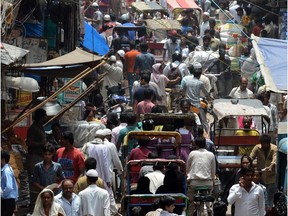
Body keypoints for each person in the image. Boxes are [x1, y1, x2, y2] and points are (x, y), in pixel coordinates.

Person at [186, 136, 216, 215]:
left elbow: (187, 168)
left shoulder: (192, 153)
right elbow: (213, 171)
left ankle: (191, 213)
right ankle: (210, 209)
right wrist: (213, 180)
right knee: (210, 197)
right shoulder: (211, 154)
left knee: (191, 201)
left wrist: (188, 176)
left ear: (195, 145)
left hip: (194, 183)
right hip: (208, 183)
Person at [181, 62, 210, 132]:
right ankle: (207, 134)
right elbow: (206, 93)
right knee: (204, 122)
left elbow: (183, 93)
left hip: (188, 104)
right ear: (200, 75)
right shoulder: (200, 83)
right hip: (197, 105)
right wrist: (209, 97)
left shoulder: (187, 81)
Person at [250, 134, 277, 209]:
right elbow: (251, 157)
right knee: (260, 197)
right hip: (260, 177)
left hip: (271, 177)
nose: (264, 145)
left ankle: (269, 211)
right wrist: (248, 164)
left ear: (269, 143)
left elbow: (275, 159)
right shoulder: (257, 148)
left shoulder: (274, 148)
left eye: (266, 144)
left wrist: (271, 166)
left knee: (270, 197)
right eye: (263, 143)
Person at [1, 151, 18, 216]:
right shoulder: (8, 169)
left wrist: (2, 195)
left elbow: (9, 187)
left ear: (3, 160)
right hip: (9, 200)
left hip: (7, 201)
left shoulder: (6, 171)